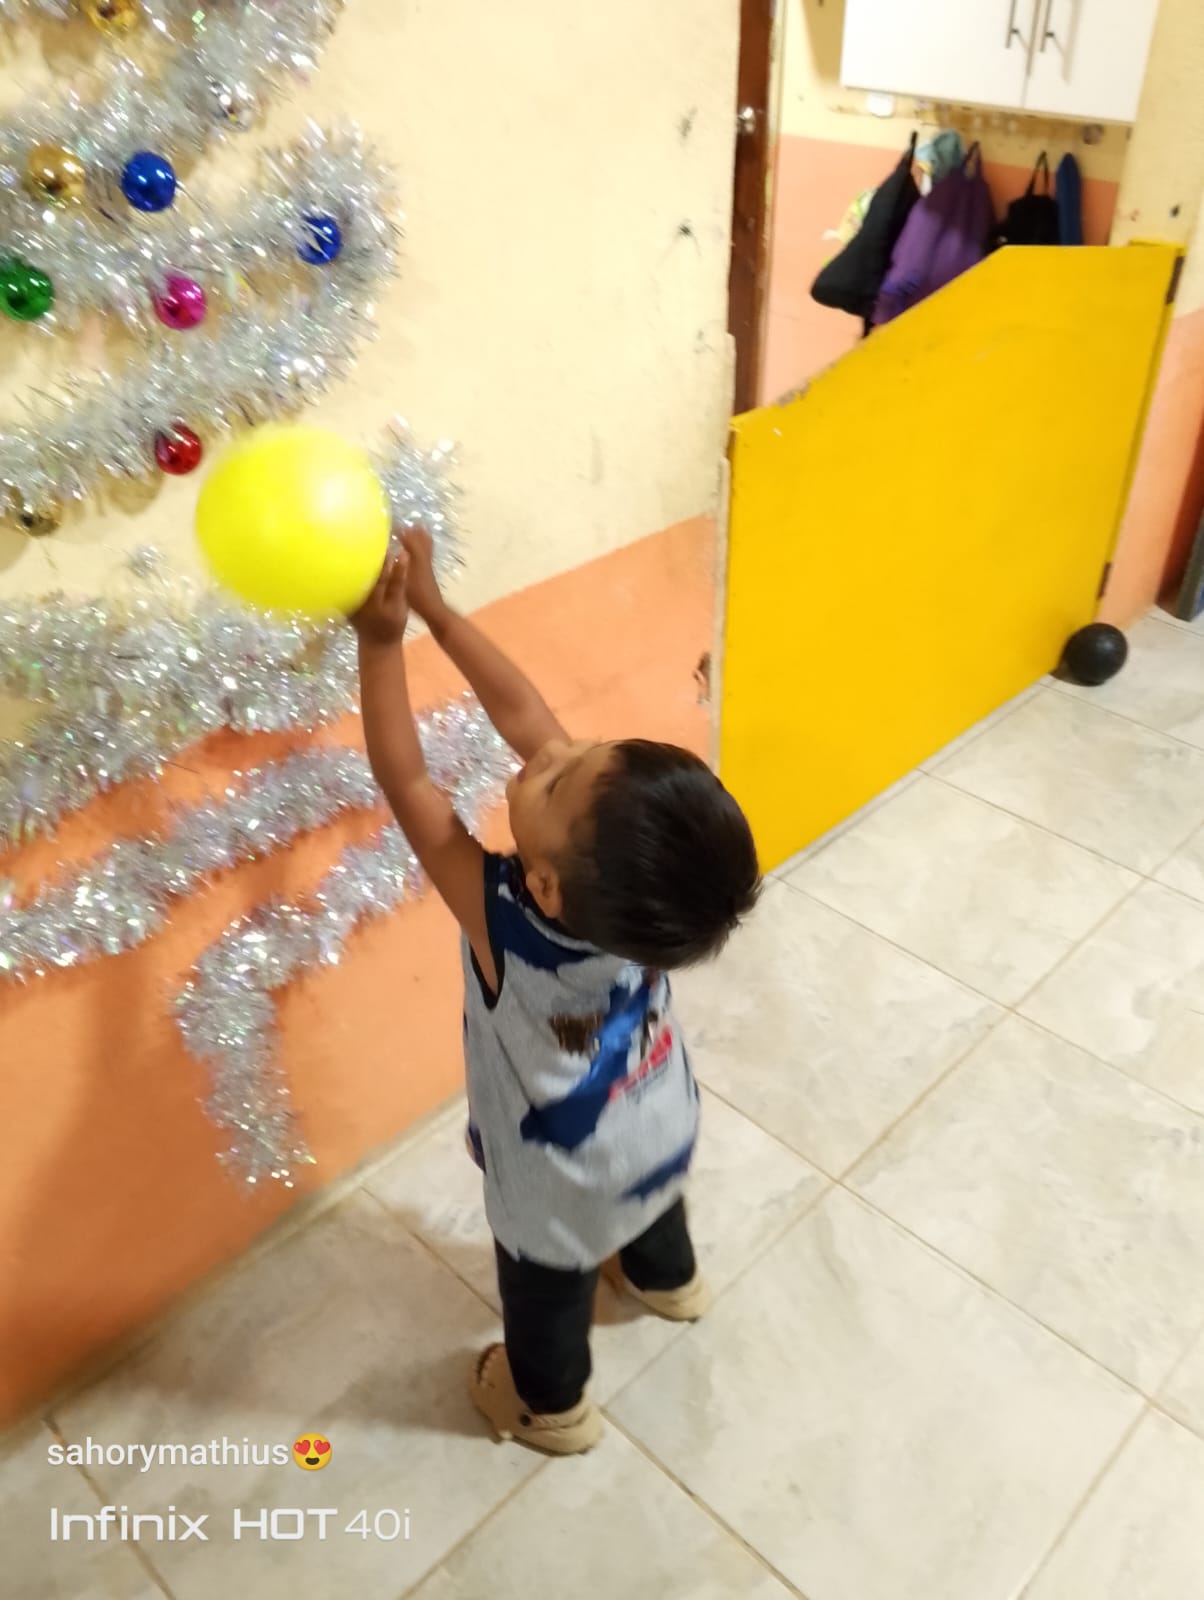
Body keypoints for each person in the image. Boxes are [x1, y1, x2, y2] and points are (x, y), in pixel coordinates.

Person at [350, 529, 761, 1455]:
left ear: (543, 886)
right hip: (659, 1121)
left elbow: (405, 780)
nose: (547, 754)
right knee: (649, 1204)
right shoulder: (644, 903)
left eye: (560, 775)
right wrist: (437, 611)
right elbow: (528, 714)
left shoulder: (504, 921)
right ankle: (668, 1282)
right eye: (586, 749)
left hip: (557, 1182)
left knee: (546, 1291)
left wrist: (380, 644)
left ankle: (549, 1405)